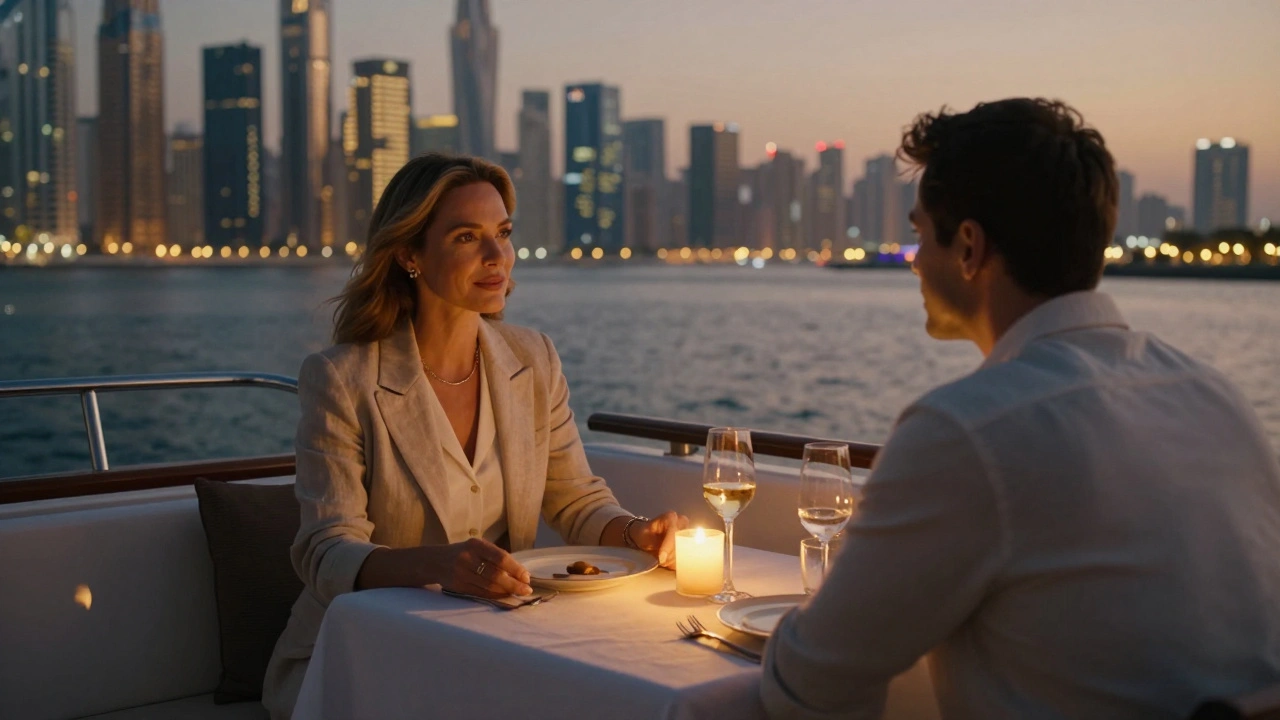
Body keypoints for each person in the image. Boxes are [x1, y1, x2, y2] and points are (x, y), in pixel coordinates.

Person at [760, 98, 1280, 718]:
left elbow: (810, 683)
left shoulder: (967, 431)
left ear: (970, 248)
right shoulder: (1213, 396)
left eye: (920, 234)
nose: (914, 260)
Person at [263, 154, 687, 719]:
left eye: (503, 234)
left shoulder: (533, 358)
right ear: (410, 254)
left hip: (494, 644)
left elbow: (575, 500)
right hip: (359, 656)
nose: (497, 257)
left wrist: (638, 534)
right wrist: (437, 565)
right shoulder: (343, 378)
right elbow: (325, 552)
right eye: (468, 237)